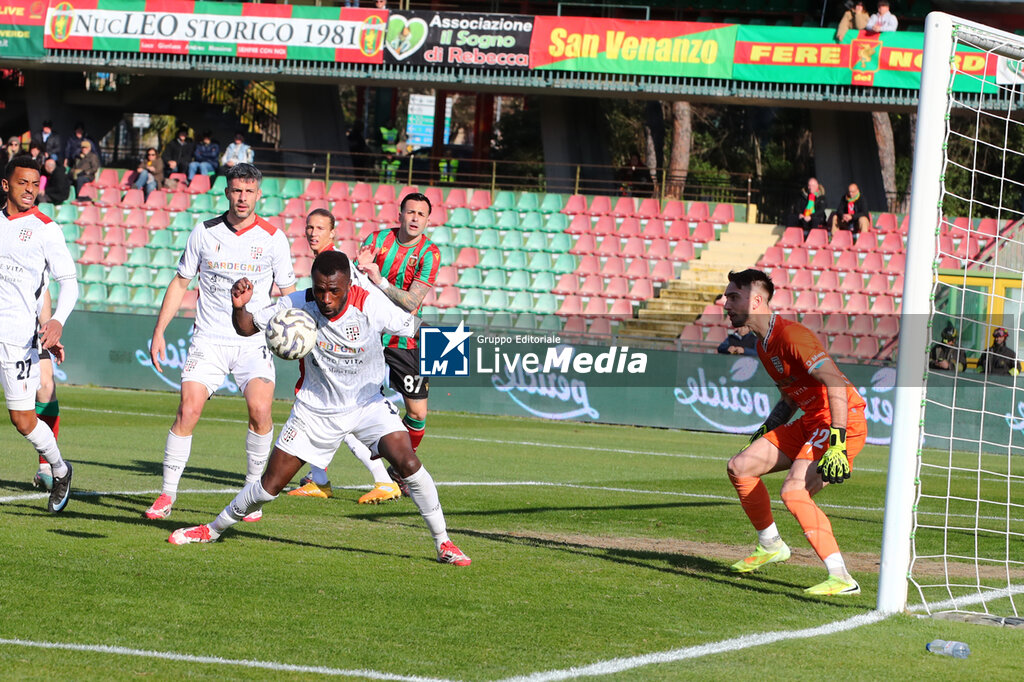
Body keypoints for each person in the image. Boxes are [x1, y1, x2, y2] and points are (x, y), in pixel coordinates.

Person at [167, 251, 472, 567]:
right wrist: (239, 306)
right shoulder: (299, 303)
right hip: (314, 410)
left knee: (408, 462)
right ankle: (213, 529)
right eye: (320, 289)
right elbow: (246, 328)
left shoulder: (370, 304)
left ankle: (444, 542)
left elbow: (419, 328)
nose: (326, 298)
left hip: (367, 404)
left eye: (334, 290)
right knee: (268, 487)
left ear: (348, 283)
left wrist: (464, 361)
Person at [145, 163, 296, 521]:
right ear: (226, 192)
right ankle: (167, 494)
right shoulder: (204, 231)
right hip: (208, 340)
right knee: (188, 410)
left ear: (259, 194)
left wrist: (292, 335)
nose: (242, 198)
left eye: (249, 191)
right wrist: (159, 330)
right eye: (236, 190)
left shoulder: (273, 238)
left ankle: (251, 491)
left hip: (253, 340)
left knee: (261, 412)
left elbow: (289, 292)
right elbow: (181, 282)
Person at [722, 268, 866, 596]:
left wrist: (837, 444)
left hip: (839, 420)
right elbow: (790, 398)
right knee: (739, 467)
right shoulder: (763, 346)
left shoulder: (792, 336)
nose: (725, 303)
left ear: (756, 301)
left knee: (793, 492)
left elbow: (835, 385)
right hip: (810, 421)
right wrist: (768, 427)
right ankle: (771, 545)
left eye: (733, 297)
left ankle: (841, 577)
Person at [287, 208, 403, 505]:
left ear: (333, 232)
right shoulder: (324, 263)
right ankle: (320, 479)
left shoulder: (340, 265)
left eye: (320, 228)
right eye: (309, 227)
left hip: (347, 350)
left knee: (340, 414)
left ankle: (382, 480)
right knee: (322, 408)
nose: (312, 233)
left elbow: (364, 300)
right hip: (324, 346)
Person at [0, 156, 79, 512]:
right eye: (23, 183)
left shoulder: (46, 228)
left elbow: (70, 283)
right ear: (6, 185)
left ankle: (60, 470)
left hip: (17, 337)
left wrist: (57, 320)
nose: (31, 189)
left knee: (23, 419)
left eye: (35, 184)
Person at [356, 192, 439, 492]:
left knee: (417, 413)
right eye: (411, 212)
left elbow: (412, 303)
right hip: (370, 336)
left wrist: (379, 281)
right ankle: (318, 474)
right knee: (345, 403)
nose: (415, 218)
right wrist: (359, 268)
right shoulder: (377, 240)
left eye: (421, 214)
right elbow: (356, 281)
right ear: (400, 214)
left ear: (428, 220)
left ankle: (399, 468)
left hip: (407, 339)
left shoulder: (430, 253)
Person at [32, 289, 63, 491]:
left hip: (25, 322)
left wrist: (47, 331)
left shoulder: (36, 257)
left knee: (46, 387)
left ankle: (46, 467)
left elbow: (43, 289)